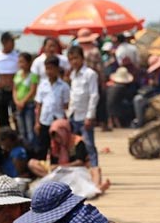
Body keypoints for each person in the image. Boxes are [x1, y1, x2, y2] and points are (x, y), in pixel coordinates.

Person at [66, 45, 102, 186]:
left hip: (85, 116)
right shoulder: (72, 74)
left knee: (89, 145)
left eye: (76, 58)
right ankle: (80, 176)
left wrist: (90, 116)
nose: (73, 62)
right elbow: (73, 95)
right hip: (73, 115)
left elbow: (94, 95)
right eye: (71, 59)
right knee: (76, 147)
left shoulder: (90, 74)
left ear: (82, 58)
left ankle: (96, 175)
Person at [47, 118, 109, 194]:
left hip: (79, 171)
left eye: (59, 135)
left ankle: (96, 188)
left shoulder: (77, 142)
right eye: (55, 137)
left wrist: (62, 166)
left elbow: (80, 162)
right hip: (61, 173)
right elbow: (52, 164)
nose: (57, 139)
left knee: (96, 169)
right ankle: (96, 189)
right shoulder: (54, 146)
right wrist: (57, 167)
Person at [34, 56, 71, 161]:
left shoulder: (64, 87)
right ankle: (41, 171)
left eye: (51, 68)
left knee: (56, 148)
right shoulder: (42, 85)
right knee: (42, 147)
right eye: (47, 68)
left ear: (57, 69)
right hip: (44, 120)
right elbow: (39, 105)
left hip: (57, 122)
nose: (49, 71)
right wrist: (37, 122)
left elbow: (66, 106)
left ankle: (55, 171)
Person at [132, 55, 160, 128]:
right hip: (153, 93)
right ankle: (140, 120)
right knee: (138, 99)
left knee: (139, 100)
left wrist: (159, 84)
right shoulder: (154, 73)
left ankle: (140, 122)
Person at [12, 52, 39, 150]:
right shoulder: (18, 74)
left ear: (29, 63)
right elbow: (15, 89)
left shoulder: (33, 75)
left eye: (23, 62)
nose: (21, 64)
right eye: (19, 62)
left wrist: (23, 101)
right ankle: (24, 150)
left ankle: (33, 150)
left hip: (29, 105)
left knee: (30, 129)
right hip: (19, 105)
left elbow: (33, 90)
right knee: (21, 130)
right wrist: (16, 101)